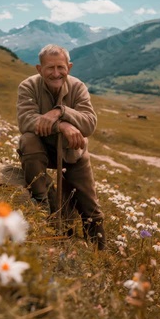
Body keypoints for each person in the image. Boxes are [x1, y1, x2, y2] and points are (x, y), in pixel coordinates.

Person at [16, 44, 105, 250]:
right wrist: (63, 125)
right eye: (50, 68)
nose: (56, 73)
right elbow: (26, 121)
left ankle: (100, 254)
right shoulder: (28, 86)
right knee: (28, 139)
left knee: (91, 210)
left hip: (73, 151)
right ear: (39, 69)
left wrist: (61, 111)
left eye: (60, 67)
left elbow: (89, 123)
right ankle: (41, 204)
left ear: (69, 67)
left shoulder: (77, 87)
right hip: (42, 149)